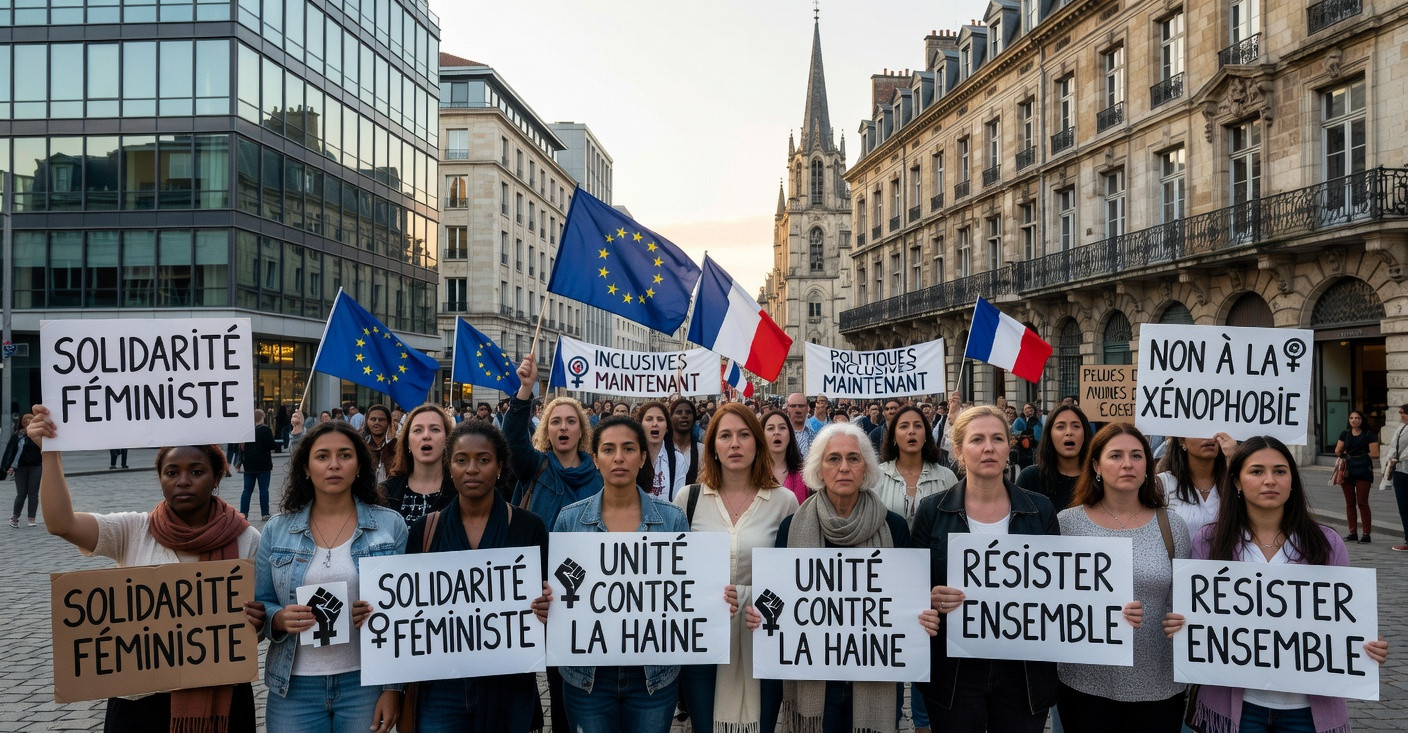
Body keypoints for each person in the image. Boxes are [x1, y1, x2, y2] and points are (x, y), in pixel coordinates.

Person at [29, 404, 263, 732]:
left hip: (218, 699)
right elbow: (60, 523)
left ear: (216, 477)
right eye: (171, 472)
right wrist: (50, 453)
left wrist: (258, 619)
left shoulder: (247, 539)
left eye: (196, 471)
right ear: (160, 478)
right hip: (139, 702)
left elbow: (261, 621)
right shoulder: (132, 530)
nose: (183, 481)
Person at [1164, 436, 1390, 733]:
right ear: (1236, 482)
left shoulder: (1326, 542)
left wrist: (1367, 644)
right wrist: (1180, 625)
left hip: (1308, 711)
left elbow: (1343, 619)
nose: (1269, 480)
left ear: (1292, 481)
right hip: (1237, 707)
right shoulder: (1210, 540)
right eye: (1257, 471)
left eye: (1280, 471)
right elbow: (1199, 617)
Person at [759, 422, 939, 733]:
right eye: (834, 459)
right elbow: (776, 596)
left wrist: (922, 616)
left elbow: (905, 601)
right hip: (815, 677)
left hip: (875, 674)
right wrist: (762, 613)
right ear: (819, 469)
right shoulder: (792, 527)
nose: (844, 467)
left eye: (853, 458)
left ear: (866, 468)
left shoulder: (893, 527)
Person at [550, 415, 703, 733]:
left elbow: (685, 590)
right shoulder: (570, 520)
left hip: (653, 677)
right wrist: (546, 602)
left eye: (629, 448)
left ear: (643, 456)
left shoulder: (672, 520)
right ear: (595, 459)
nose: (618, 458)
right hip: (587, 677)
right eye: (608, 449)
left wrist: (713, 597)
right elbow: (564, 594)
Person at [913, 405, 1058, 732]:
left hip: (1022, 672)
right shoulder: (932, 511)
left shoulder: (1040, 509)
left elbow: (1061, 588)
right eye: (977, 439)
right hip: (954, 673)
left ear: (1009, 446)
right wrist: (931, 598)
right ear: (960, 449)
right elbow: (910, 590)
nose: (989, 447)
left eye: (997, 438)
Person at [255, 420, 407, 733]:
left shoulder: (390, 526)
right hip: (294, 688)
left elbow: (405, 615)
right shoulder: (276, 530)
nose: (334, 465)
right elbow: (261, 603)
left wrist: (393, 689)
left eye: (345, 455)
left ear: (360, 467)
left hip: (364, 683)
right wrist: (279, 619)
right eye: (322, 456)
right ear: (307, 468)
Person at [406, 420, 552, 731]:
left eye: (483, 460)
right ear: (449, 466)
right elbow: (406, 609)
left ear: (500, 466)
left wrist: (548, 605)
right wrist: (377, 612)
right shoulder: (425, 530)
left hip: (508, 686)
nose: (472, 469)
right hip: (442, 688)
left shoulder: (529, 527)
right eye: (461, 460)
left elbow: (549, 602)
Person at [1056, 423, 1189, 732]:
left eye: (1137, 455)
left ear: (1148, 466)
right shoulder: (1067, 524)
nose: (1128, 464)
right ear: (1096, 465)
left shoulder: (1172, 526)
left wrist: (1181, 619)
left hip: (1158, 684)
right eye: (1115, 455)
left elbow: (1185, 599)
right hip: (1084, 683)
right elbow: (1052, 601)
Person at [673, 404, 798, 733]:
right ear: (712, 445)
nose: (735, 443)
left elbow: (795, 578)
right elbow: (674, 573)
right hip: (702, 643)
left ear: (757, 443)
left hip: (762, 639)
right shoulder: (688, 499)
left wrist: (757, 597)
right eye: (725, 436)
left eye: (744, 435)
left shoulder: (785, 501)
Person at [506, 355, 602, 733]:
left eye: (571, 421)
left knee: (577, 679)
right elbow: (512, 438)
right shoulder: (535, 466)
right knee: (547, 672)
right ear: (547, 429)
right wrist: (525, 391)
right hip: (540, 591)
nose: (564, 427)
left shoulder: (600, 474)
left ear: (582, 430)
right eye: (556, 421)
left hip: (587, 590)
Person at [877, 404, 958, 526]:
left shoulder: (946, 477)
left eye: (918, 426)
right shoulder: (877, 476)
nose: (911, 431)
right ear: (894, 436)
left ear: (926, 434)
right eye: (904, 426)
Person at [381, 404, 455, 526]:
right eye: (418, 430)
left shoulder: (461, 492)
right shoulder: (385, 492)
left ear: (447, 440)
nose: (426, 436)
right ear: (408, 442)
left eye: (435, 429)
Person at [1155, 434, 1236, 542]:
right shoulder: (1163, 484)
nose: (1209, 437)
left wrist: (1236, 459)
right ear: (1181, 441)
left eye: (1214, 431)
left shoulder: (1234, 483)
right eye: (1199, 431)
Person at [1015, 404, 1091, 512]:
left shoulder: (1098, 479)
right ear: (1049, 434)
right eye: (1060, 427)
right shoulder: (1030, 478)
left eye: (1076, 426)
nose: (1069, 432)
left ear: (1085, 433)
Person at [1334, 410, 1378, 543]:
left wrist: (1360, 453)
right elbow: (1337, 450)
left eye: (1357, 418)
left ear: (1362, 420)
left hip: (1363, 467)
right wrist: (1341, 453)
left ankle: (1366, 533)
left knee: (1362, 502)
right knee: (1349, 502)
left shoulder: (1369, 434)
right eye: (1352, 418)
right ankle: (1352, 532)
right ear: (1349, 420)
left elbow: (1375, 453)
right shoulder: (1345, 433)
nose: (1354, 420)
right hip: (1347, 468)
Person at [238, 408, 278, 521]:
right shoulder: (265, 430)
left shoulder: (247, 431)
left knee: (247, 490)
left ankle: (243, 513)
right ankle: (265, 513)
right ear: (262, 417)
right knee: (264, 490)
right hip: (263, 465)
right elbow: (271, 445)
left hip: (249, 466)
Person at [762, 409, 808, 504]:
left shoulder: (804, 475)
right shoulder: (753, 473)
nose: (776, 432)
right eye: (770, 428)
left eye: (782, 428)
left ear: (790, 434)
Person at [5, 414, 41, 527]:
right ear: (22, 422)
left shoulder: (39, 434)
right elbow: (12, 451)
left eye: (31, 420)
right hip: (21, 467)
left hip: (36, 466)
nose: (28, 422)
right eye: (26, 420)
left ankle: (31, 518)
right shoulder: (18, 435)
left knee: (33, 494)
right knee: (21, 493)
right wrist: (10, 466)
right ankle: (15, 517)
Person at [634, 401, 675, 498]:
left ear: (667, 427)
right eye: (649, 419)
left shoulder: (677, 459)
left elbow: (677, 500)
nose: (655, 424)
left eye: (660, 419)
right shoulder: (631, 457)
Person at [1386, 403, 1408, 552]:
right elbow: (1393, 446)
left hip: (1404, 467)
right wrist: (1391, 459)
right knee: (1403, 506)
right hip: (1400, 470)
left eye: (1404, 413)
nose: (1401, 416)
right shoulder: (1401, 428)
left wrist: (1399, 458)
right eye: (1400, 413)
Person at [360, 404, 396, 483]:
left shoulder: (397, 446)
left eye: (381, 419)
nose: (377, 423)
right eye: (373, 419)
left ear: (388, 422)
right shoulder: (361, 445)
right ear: (367, 421)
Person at [1011, 402, 1042, 469]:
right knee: (1024, 465)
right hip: (1022, 446)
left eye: (1030, 408)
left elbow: (1039, 434)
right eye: (1027, 409)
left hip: (1033, 446)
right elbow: (1013, 431)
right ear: (1023, 411)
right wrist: (1022, 433)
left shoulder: (1037, 420)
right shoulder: (1019, 420)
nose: (1029, 410)